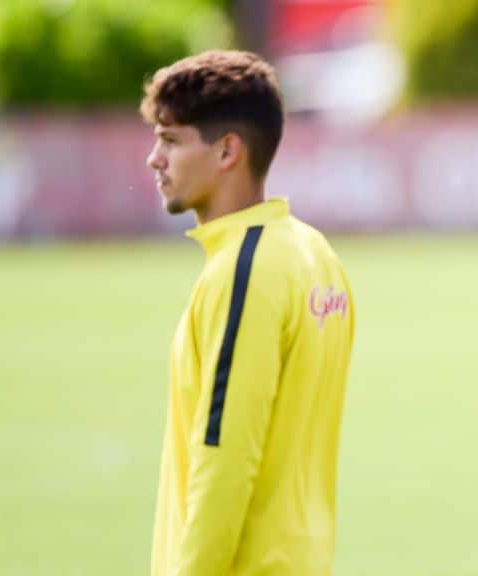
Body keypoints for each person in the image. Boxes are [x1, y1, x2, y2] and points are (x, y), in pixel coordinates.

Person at [141, 50, 354, 576]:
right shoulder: (317, 255)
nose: (154, 158)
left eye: (170, 139)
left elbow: (226, 457)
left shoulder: (243, 271)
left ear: (228, 150)